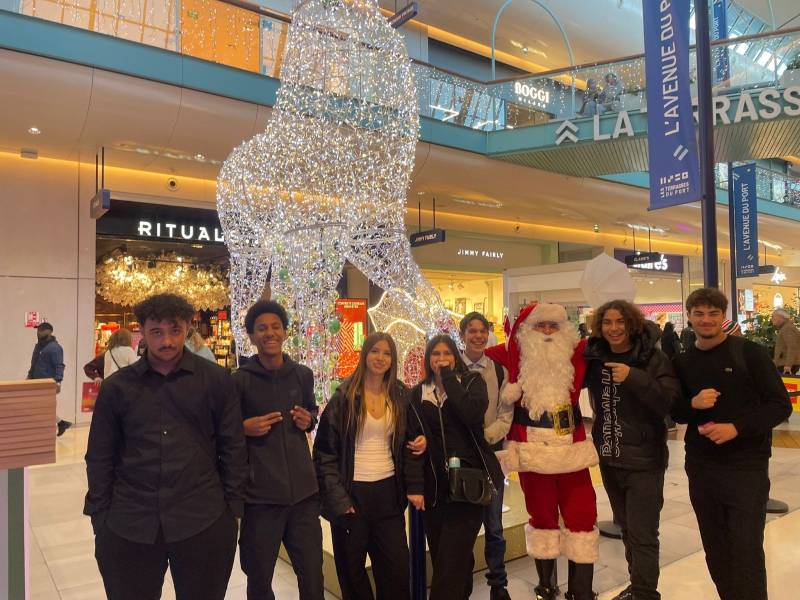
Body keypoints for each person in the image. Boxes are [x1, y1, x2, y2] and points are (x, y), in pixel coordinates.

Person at [84, 293, 247, 600]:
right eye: (157, 332)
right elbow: (99, 455)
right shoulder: (118, 388)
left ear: (188, 328)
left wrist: (231, 511)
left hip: (204, 519)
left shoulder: (215, 380)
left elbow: (234, 447)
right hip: (129, 522)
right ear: (142, 331)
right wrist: (101, 518)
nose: (167, 341)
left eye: (175, 330)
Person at [672, 288, 792, 600]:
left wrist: (736, 428)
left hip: (745, 467)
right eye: (699, 313)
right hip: (701, 466)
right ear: (689, 317)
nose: (706, 319)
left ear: (723, 317)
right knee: (716, 547)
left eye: (713, 313)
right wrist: (693, 404)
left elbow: (780, 405)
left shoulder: (748, 353)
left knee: (746, 548)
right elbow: (673, 409)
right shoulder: (683, 361)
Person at [486, 303, 599, 600]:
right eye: (540, 326)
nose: (548, 332)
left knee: (582, 515)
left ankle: (580, 590)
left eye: (554, 326)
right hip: (532, 452)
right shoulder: (512, 354)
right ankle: (546, 587)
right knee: (542, 517)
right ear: (527, 331)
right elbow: (472, 355)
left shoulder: (577, 352)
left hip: (571, 450)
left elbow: (617, 337)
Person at [313, 332, 426, 600]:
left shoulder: (398, 393)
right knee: (352, 574)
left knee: (397, 569)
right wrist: (340, 501)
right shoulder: (344, 397)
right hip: (353, 496)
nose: (380, 358)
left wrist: (421, 441)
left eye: (387, 353)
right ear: (364, 354)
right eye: (375, 351)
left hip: (389, 494)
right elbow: (324, 455)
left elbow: (410, 438)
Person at [584, 301, 680, 600]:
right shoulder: (595, 356)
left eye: (620, 322)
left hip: (644, 461)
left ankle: (645, 593)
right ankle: (637, 587)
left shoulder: (652, 357)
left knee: (643, 534)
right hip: (610, 457)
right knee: (626, 528)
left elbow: (669, 401)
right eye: (608, 322)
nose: (614, 328)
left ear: (632, 324)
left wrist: (634, 377)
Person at [233, 300, 324, 600]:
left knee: (312, 574)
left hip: (304, 496)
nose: (269, 333)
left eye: (275, 327)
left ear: (285, 332)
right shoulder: (239, 380)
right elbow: (223, 431)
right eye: (261, 328)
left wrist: (308, 419)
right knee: (259, 577)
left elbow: (311, 412)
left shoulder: (303, 374)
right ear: (251, 336)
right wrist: (244, 427)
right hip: (260, 498)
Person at [411, 334, 503, 600]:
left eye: (447, 354)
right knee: (448, 562)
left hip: (468, 486)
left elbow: (472, 415)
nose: (441, 359)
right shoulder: (419, 393)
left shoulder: (472, 382)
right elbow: (414, 432)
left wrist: (449, 380)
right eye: (436, 354)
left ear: (456, 356)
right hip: (435, 490)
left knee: (449, 567)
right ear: (428, 359)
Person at [459, 312, 512, 600]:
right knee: (464, 527)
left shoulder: (498, 370)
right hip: (463, 460)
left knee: (494, 526)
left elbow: (506, 413)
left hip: (490, 457)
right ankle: (462, 583)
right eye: (472, 331)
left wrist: (486, 437)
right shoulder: (452, 368)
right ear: (463, 334)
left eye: (482, 331)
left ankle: (498, 585)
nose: (478, 336)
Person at [27, 322, 71, 436]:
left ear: (49, 332)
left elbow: (59, 366)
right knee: (39, 406)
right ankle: (61, 423)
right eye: (38, 330)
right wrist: (29, 376)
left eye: (41, 330)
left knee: (43, 406)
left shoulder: (55, 348)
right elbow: (34, 363)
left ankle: (52, 428)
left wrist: (58, 382)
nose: (38, 332)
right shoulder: (38, 346)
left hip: (47, 383)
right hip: (35, 382)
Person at [771, 309, 800, 375]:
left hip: (786, 365)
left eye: (773, 316)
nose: (772, 319)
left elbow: (792, 347)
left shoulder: (787, 328)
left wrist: (788, 365)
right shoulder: (786, 327)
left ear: (781, 317)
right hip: (787, 364)